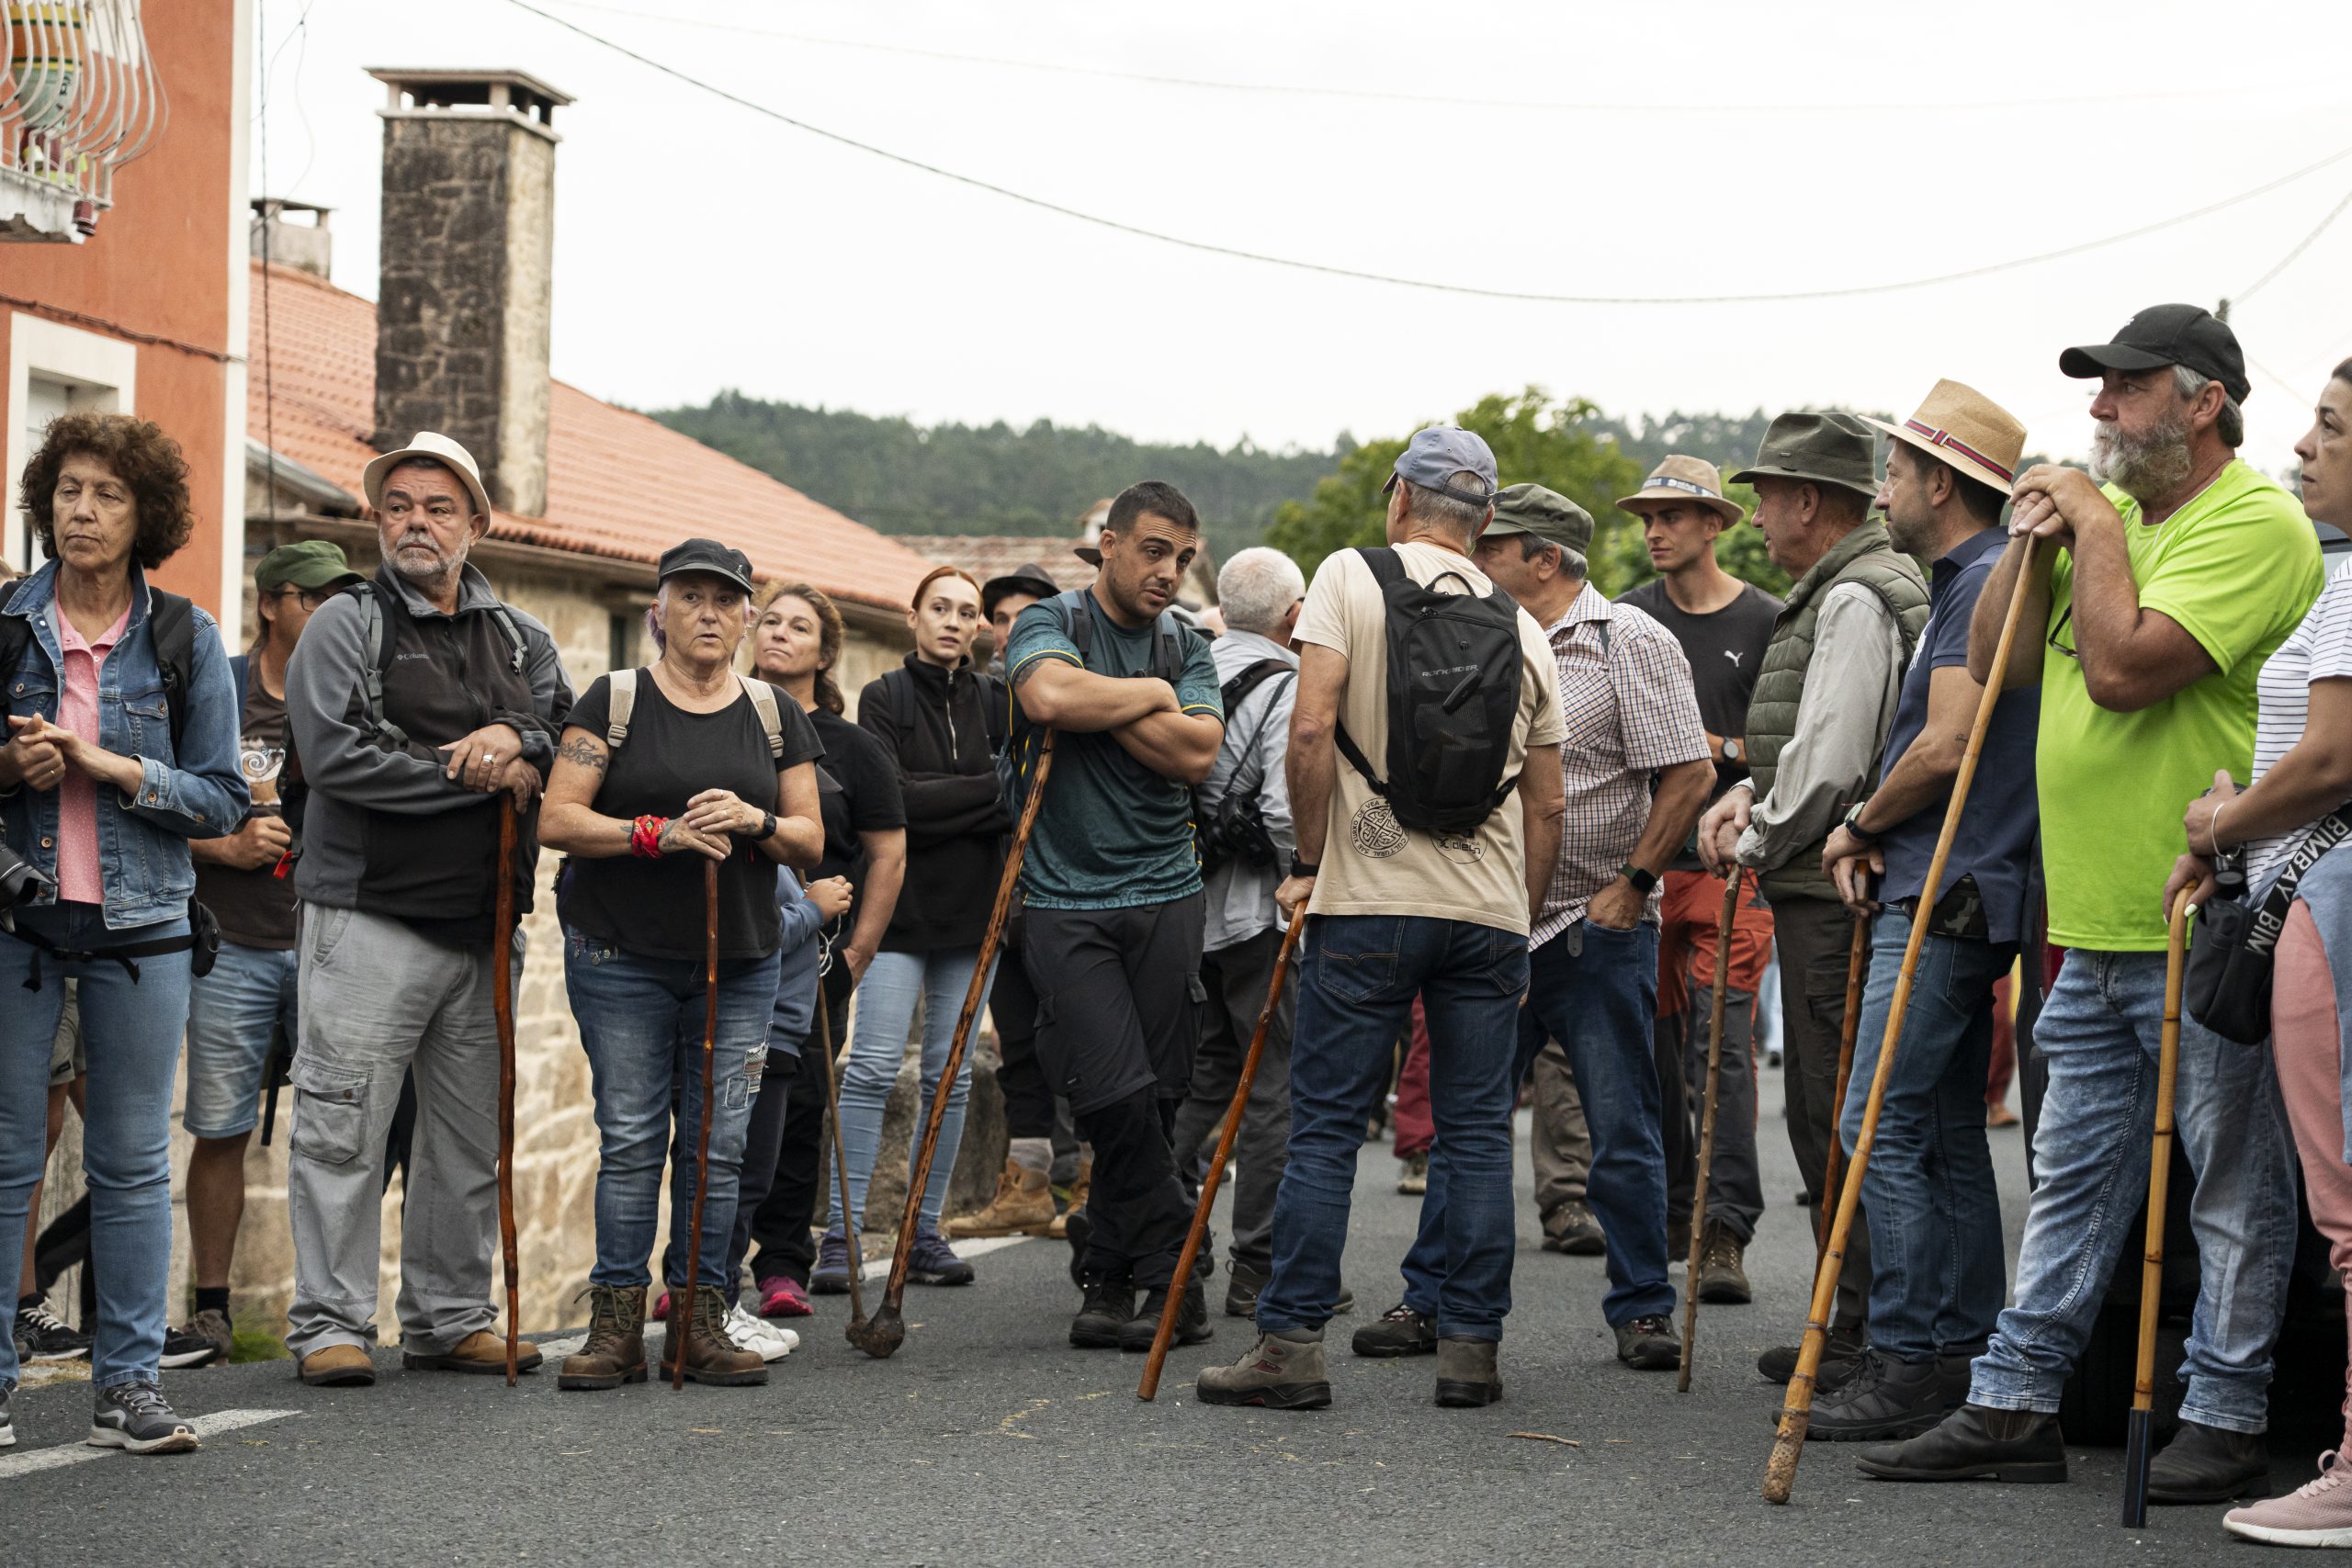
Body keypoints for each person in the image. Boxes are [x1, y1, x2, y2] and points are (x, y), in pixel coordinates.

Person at [1862, 306, 2320, 1500]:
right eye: (2098, 389)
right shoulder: (2102, 529)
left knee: (2230, 1182)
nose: (2102, 409)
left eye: (2127, 387)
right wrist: (2032, 537)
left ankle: (2224, 1413)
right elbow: (2007, 663)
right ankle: (2013, 1400)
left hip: (2201, 918)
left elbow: (2120, 672)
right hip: (2091, 918)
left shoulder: (2254, 521)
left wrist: (2096, 518)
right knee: (2067, 1175)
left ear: (2204, 398)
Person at [1200, 429, 1566, 1410]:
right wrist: (1517, 921)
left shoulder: (1347, 581)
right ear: (1485, 520)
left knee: (1323, 1125)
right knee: (1477, 1132)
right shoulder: (1524, 627)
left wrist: (1309, 863)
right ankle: (1469, 1351)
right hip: (1486, 912)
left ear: (1396, 498)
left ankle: (1288, 1349)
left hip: (1366, 900)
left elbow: (1312, 725)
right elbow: (1549, 803)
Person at [280, 432, 571, 1388]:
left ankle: (450, 1318)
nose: (416, 521)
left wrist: (514, 735)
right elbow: (334, 760)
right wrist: (483, 773)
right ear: (376, 519)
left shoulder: (522, 637)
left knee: (465, 1136)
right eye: (399, 504)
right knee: (342, 1124)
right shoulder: (345, 625)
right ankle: (329, 1322)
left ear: (476, 524)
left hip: (488, 927)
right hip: (368, 918)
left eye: (438, 507)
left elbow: (558, 729)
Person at [1, 412, 248, 1453]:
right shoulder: (6, 627)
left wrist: (111, 767)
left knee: (133, 1161)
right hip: (17, 920)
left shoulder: (185, 639)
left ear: (145, 514)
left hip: (143, 926)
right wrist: (9, 770)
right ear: (44, 506)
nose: (83, 511)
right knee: (7, 1155)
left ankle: (130, 1384)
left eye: (107, 494)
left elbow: (226, 801)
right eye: (67, 491)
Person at [1807, 381, 2038, 1439]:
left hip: (1947, 885)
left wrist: (1858, 823)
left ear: (1938, 483)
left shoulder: (1979, 577)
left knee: (1879, 1119)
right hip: (1957, 882)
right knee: (1938, 1124)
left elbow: (1945, 744)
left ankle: (1909, 1358)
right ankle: (1956, 1352)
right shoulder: (1979, 574)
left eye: (1895, 471)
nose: (1883, 489)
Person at [540, 537, 823, 1390]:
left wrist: (754, 819)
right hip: (620, 955)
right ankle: (616, 1326)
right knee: (631, 1142)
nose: (709, 612)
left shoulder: (774, 714)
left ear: (745, 616)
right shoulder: (614, 699)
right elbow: (558, 817)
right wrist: (651, 834)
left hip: (738, 961)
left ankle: (700, 1321)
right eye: (690, 596)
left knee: (718, 1146)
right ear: (658, 610)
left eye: (725, 599)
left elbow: (810, 837)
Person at [1455, 481, 1711, 1371]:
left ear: (1545, 559)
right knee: (1470, 1121)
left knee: (1621, 1124)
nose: (1478, 560)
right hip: (1493, 916)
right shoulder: (1486, 633)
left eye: (1495, 548)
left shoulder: (1627, 640)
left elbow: (1687, 775)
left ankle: (1642, 1307)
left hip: (1593, 919)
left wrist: (1633, 885)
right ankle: (1433, 1302)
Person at [1696, 411, 1928, 1378]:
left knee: (1836, 1109)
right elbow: (1823, 744)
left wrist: (1753, 833)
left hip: (1835, 889)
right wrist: (1757, 791)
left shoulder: (1853, 598)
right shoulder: (1855, 587)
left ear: (1805, 501)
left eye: (1762, 496)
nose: (1753, 516)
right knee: (1842, 1105)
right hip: (1837, 877)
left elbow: (1833, 761)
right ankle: (1853, 1320)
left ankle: (1863, 1330)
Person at [1004, 479, 1227, 1350]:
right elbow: (1046, 701)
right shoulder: (1047, 621)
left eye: (1184, 557)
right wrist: (1153, 696)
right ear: (1109, 545)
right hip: (1063, 898)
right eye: (1154, 550)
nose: (1170, 571)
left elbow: (1200, 754)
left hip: (1169, 891)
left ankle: (1107, 1274)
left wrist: (1109, 699)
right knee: (1111, 1090)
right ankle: (1181, 1265)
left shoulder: (1186, 641)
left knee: (1159, 1097)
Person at [2199, 360, 2352, 1546]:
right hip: (2304, 887)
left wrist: (2222, 822)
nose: (2304, 445)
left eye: (2332, 427)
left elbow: (2333, 760)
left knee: (2344, 1209)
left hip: (2328, 898)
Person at [169, 540, 363, 1369]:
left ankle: (335, 1311)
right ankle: (212, 1310)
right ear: (271, 605)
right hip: (235, 944)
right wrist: (226, 848)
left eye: (341, 599)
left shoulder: (358, 694)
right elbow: (156, 806)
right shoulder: (220, 687)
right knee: (221, 1127)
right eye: (315, 598)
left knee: (342, 1127)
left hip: (337, 943)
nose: (331, 614)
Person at [812, 566, 1008, 1292]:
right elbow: (892, 799)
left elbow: (1015, 792)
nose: (954, 622)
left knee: (948, 1078)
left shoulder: (996, 699)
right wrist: (982, 794)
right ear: (915, 617)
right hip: (898, 910)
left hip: (974, 911)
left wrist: (952, 799)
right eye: (940, 608)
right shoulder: (884, 696)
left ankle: (924, 1231)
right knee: (866, 1070)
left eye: (968, 612)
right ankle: (842, 1234)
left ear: (980, 626)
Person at [1617, 455, 1781, 1300]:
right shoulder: (1623, 618)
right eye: (1647, 517)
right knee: (1650, 1053)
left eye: (1672, 516)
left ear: (1715, 523)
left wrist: (1713, 750)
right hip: (1642, 868)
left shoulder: (1769, 619)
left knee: (1722, 1050)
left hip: (1732, 867)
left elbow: (1793, 741)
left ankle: (1725, 1230)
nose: (1654, 531)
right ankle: (1677, 1206)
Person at [1167, 546, 1340, 1318]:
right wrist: (1302, 880)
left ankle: (1162, 1231)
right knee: (1273, 1091)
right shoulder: (1285, 689)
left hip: (1181, 912)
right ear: (1294, 614)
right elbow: (1280, 808)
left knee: (1204, 1076)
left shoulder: (1187, 674)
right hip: (1257, 919)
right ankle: (1258, 1265)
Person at [739, 582, 906, 1316]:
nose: (778, 633)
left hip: (815, 953)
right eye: (769, 621)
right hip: (730, 941)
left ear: (825, 651)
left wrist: (861, 950)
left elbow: (888, 851)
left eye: (797, 626)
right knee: (717, 1104)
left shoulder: (852, 745)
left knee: (800, 1101)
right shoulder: (720, 722)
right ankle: (704, 1262)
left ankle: (780, 1264)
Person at [955, 561, 1080, 1240]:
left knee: (1087, 1043)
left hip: (1067, 895)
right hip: (1000, 901)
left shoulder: (1068, 695)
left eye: (1023, 617)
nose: (1008, 631)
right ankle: (1029, 1186)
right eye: (998, 619)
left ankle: (1090, 1181)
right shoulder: (977, 698)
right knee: (1020, 1048)